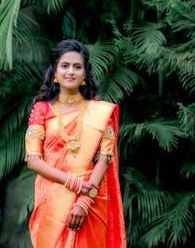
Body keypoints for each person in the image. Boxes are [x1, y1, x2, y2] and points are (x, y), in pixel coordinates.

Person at [24, 39, 127, 248]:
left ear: (84, 75)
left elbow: (105, 159)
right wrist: (75, 184)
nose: (70, 71)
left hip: (90, 202)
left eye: (77, 67)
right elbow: (33, 161)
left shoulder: (100, 111)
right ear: (55, 72)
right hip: (52, 203)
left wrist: (85, 200)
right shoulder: (41, 110)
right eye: (65, 65)